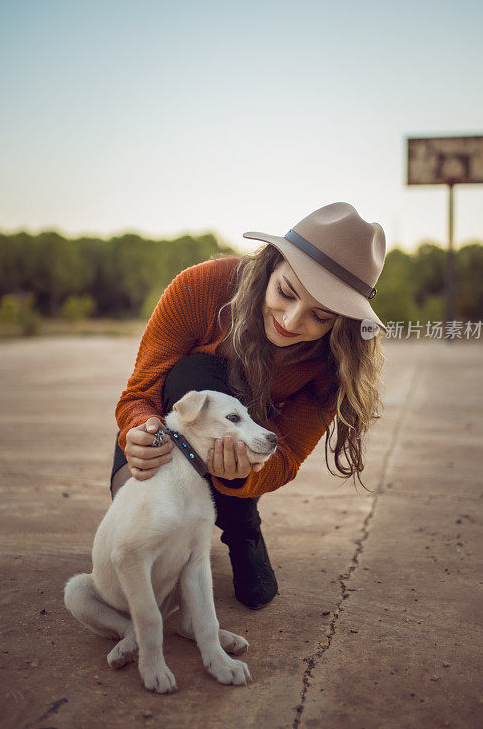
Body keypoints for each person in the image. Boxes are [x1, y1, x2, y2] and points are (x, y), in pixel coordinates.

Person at [110, 202, 386, 610]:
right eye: (286, 292)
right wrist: (141, 430)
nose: (291, 321)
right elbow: (142, 390)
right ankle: (185, 517)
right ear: (271, 263)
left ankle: (241, 525)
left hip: (247, 454)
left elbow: (287, 454)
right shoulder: (201, 286)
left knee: (255, 595)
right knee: (195, 375)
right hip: (174, 432)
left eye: (320, 316)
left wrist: (241, 479)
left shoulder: (335, 362)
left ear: (342, 320)